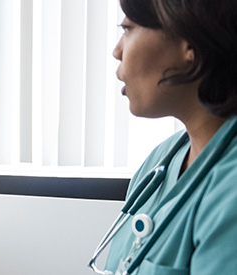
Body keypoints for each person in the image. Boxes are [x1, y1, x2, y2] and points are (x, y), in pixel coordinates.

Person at [90, 0, 237, 274]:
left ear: (190, 43)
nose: (117, 51)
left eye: (128, 28)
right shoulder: (160, 160)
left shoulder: (231, 190)